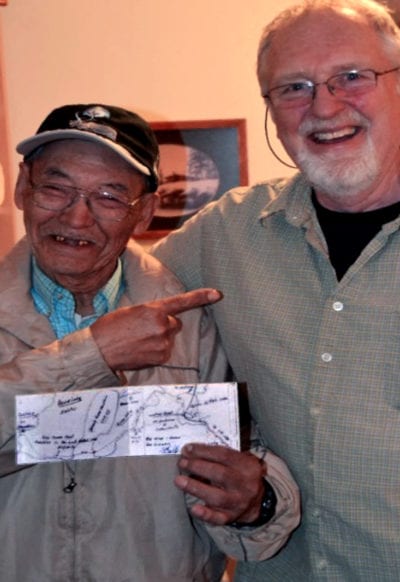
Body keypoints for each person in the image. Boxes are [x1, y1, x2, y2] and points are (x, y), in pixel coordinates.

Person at [152, 0, 400, 579]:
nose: (324, 105)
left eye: (352, 77)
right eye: (294, 87)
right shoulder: (226, 234)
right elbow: (111, 296)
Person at [0, 103, 300, 582]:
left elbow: (253, 470)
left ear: (144, 213)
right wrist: (91, 354)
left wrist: (257, 501)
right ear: (21, 189)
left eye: (109, 196)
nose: (77, 217)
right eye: (55, 188)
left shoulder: (199, 322)